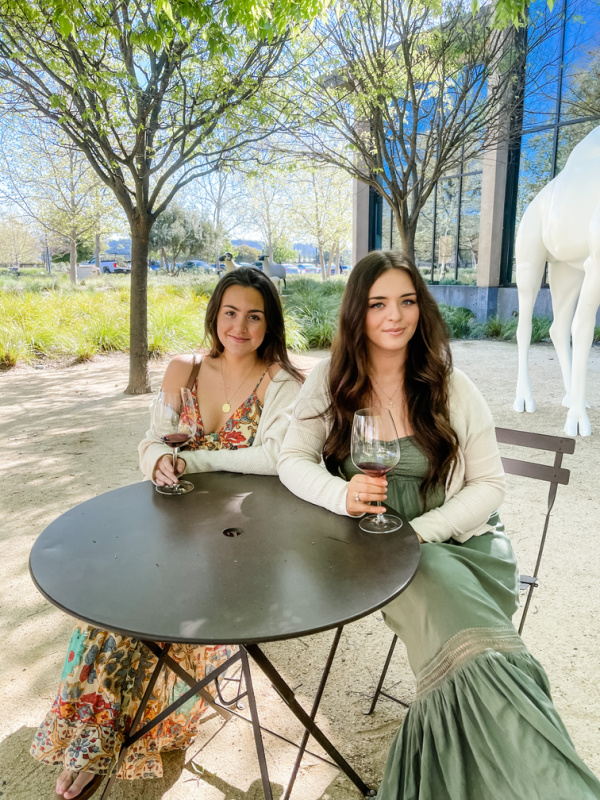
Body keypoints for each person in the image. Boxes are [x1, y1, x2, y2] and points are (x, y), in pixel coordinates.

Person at [277, 251, 600, 800]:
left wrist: (419, 533)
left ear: (421, 309)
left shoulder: (448, 383)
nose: (395, 316)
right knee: (477, 653)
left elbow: (490, 486)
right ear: (358, 313)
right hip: (380, 552)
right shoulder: (331, 381)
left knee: (475, 650)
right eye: (378, 304)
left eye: (407, 301)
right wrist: (342, 492)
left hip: (462, 546)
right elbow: (292, 460)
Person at [31, 267, 304, 800]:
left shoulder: (283, 382)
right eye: (230, 312)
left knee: (151, 610)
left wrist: (191, 459)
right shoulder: (185, 368)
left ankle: (99, 741)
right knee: (113, 601)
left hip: (241, 539)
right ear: (215, 314)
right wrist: (158, 459)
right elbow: (152, 441)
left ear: (269, 323)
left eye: (254, 315)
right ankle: (94, 731)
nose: (240, 326)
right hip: (174, 522)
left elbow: (274, 460)